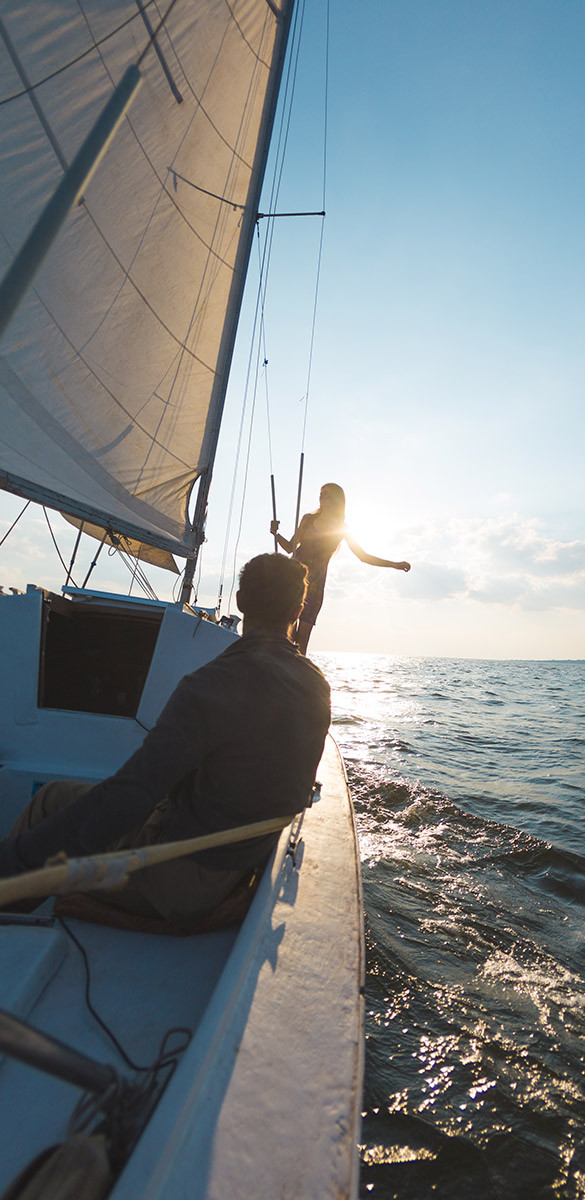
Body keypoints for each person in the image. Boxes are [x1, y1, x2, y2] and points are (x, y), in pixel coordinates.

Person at [0, 554, 331, 924]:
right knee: (55, 797)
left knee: (47, 807)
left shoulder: (209, 686)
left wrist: (14, 863)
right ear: (299, 609)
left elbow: (130, 797)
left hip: (182, 880)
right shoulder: (317, 685)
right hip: (243, 866)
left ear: (240, 600)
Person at [271, 483, 411, 654]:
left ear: (337, 500)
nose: (321, 498)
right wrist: (276, 534)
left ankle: (296, 675)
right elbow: (289, 548)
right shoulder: (308, 520)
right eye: (321, 494)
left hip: (315, 587)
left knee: (302, 643)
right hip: (293, 580)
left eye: (327, 495)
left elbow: (363, 556)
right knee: (286, 635)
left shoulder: (342, 529)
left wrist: (394, 564)